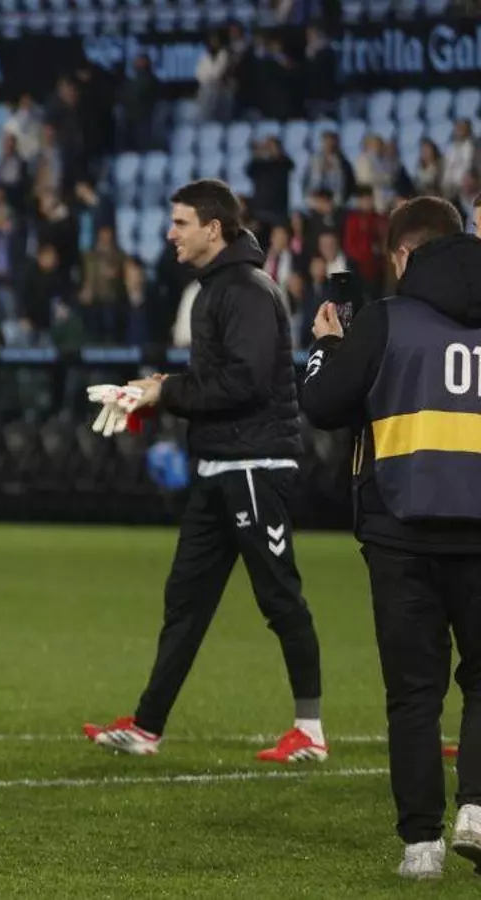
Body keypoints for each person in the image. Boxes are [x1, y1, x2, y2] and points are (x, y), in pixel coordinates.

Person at [85, 179, 326, 763]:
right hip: (221, 462)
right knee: (186, 599)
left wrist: (165, 391)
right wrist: (159, 391)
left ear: (213, 229)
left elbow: (244, 382)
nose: (171, 233)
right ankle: (148, 725)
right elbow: (222, 378)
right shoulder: (219, 288)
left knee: (279, 596)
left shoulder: (245, 290)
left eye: (181, 223)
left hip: (254, 463)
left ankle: (311, 731)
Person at [299, 196, 481, 880]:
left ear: (404, 254)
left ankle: (421, 845)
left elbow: (321, 405)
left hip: (399, 532)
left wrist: (325, 346)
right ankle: (477, 808)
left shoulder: (386, 319)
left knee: (413, 694)